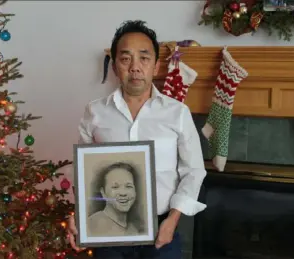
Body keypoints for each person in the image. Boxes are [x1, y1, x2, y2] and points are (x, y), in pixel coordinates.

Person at [67, 20, 207, 259]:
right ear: (114, 67)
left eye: (144, 58)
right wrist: (79, 215)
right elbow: (82, 172)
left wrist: (173, 219)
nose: (135, 67)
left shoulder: (177, 112)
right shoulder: (95, 112)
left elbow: (193, 171)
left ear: (156, 65)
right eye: (125, 58)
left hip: (162, 233)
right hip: (108, 236)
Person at [87, 162, 139, 237]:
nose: (123, 193)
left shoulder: (134, 229)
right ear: (103, 193)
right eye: (115, 187)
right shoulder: (91, 226)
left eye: (128, 186)